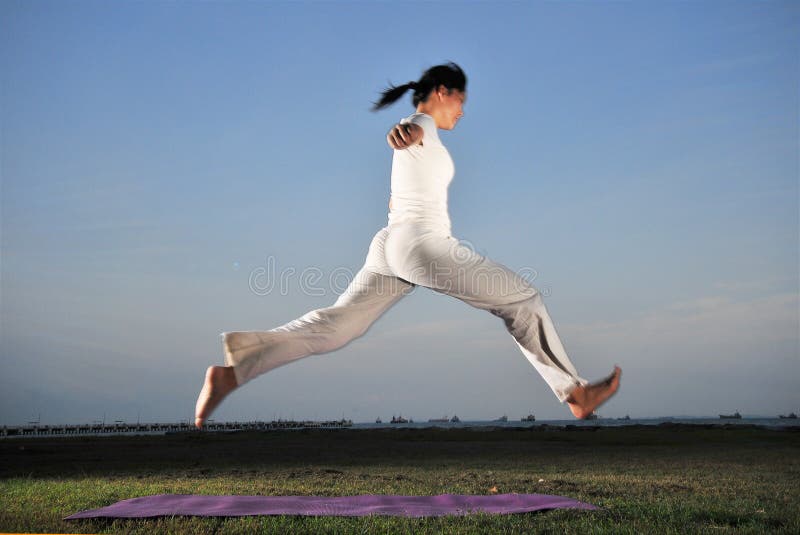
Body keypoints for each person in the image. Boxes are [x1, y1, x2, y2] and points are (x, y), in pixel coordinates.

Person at [195, 62, 621, 428]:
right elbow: (405, 132)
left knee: (337, 328)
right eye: (461, 101)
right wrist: (399, 133)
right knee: (524, 300)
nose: (463, 111)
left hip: (390, 245)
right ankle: (574, 393)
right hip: (421, 245)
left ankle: (233, 372)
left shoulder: (428, 141)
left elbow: (406, 159)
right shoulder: (422, 128)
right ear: (441, 92)